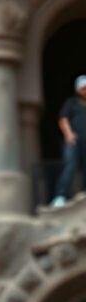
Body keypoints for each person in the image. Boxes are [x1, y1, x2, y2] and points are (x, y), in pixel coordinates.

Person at [50, 74, 86, 206]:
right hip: (74, 140)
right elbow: (63, 120)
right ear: (78, 90)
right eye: (83, 88)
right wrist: (69, 135)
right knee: (70, 166)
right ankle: (60, 196)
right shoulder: (71, 103)